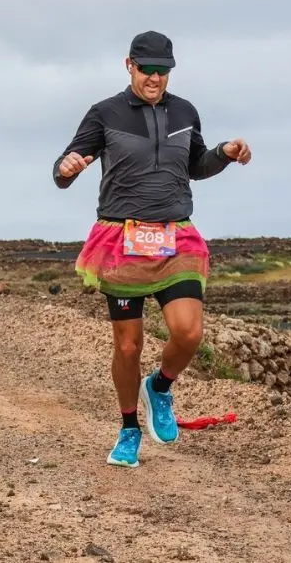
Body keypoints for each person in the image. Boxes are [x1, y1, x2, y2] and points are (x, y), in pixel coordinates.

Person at [52, 30, 252, 469]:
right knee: (127, 347)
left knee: (189, 332)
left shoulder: (185, 111)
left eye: (164, 72)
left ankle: (159, 387)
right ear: (130, 65)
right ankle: (128, 429)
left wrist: (224, 152)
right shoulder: (104, 113)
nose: (156, 79)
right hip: (122, 241)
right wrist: (66, 168)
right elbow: (65, 167)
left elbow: (196, 165)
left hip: (176, 236)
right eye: (148, 70)